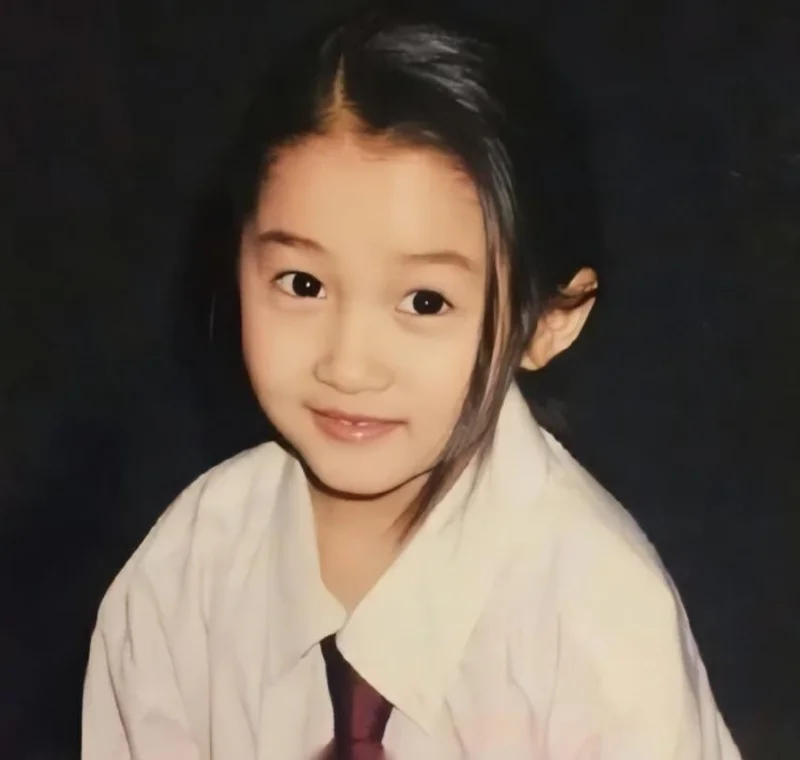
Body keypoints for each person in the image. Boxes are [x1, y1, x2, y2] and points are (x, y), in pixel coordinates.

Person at [82, 3, 742, 758]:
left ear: (547, 321)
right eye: (302, 284)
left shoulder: (598, 622)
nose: (347, 364)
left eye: (425, 302)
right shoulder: (188, 568)